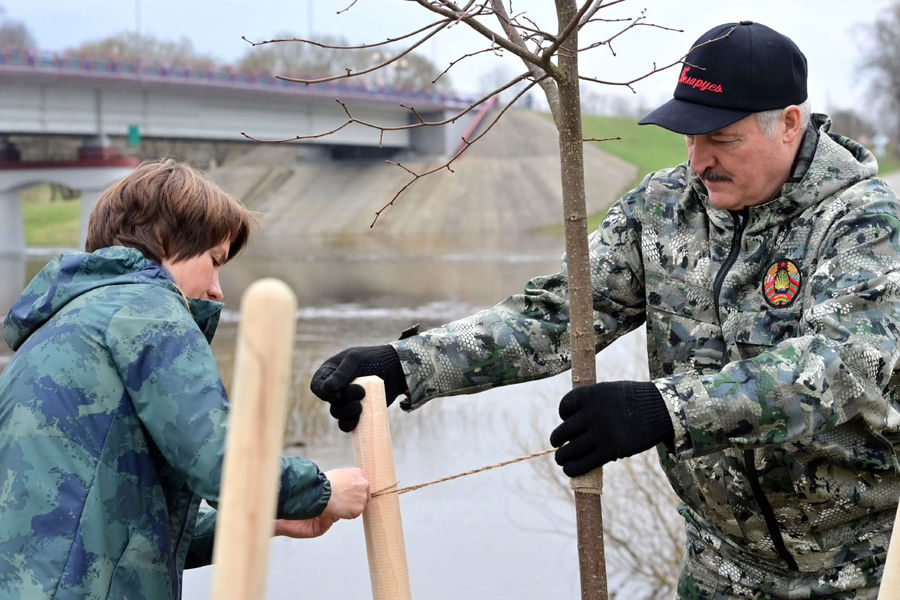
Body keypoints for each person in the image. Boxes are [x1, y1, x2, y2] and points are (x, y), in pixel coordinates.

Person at [310, 21, 900, 599]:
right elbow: (556, 316)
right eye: (689, 136)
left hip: (868, 571)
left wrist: (665, 410)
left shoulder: (864, 222)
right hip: (723, 571)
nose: (698, 160)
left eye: (722, 139)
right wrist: (408, 362)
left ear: (789, 123)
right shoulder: (663, 208)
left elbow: (840, 367)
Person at [0, 159, 369, 599]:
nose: (218, 289)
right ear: (162, 239)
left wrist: (264, 520)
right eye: (213, 261)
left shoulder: (60, 328)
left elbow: (119, 527)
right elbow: (221, 460)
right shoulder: (149, 309)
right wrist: (323, 490)